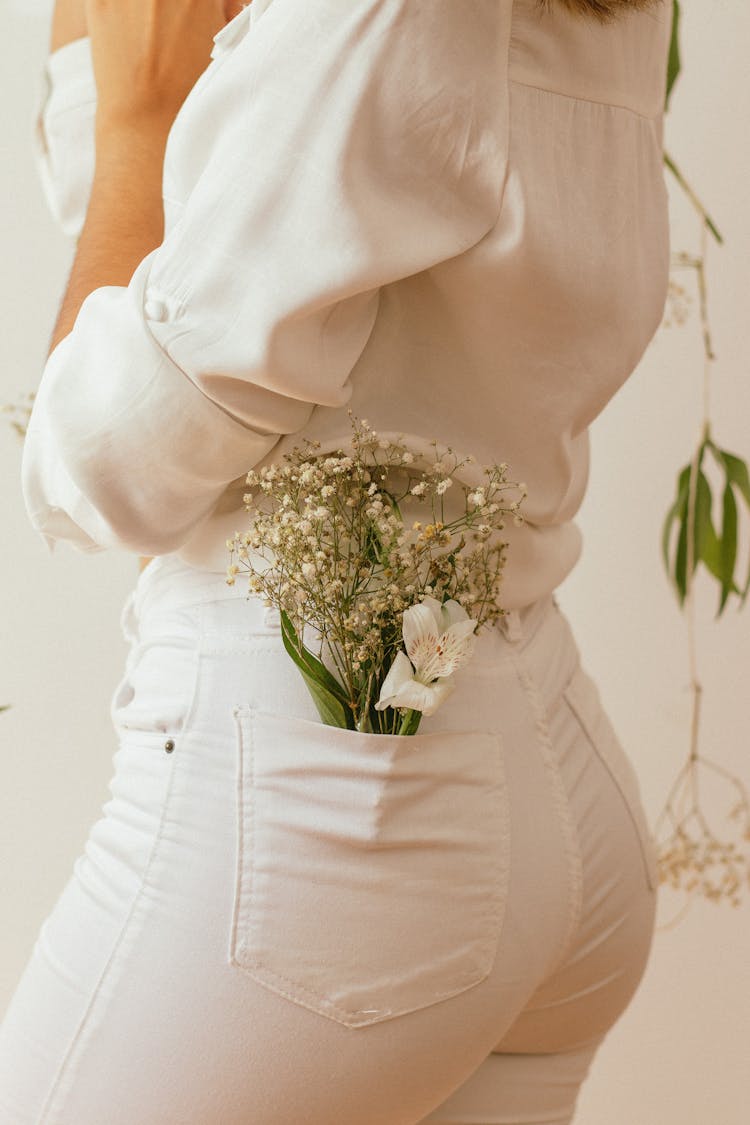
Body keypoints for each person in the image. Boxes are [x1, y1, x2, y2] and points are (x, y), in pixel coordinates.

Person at [0, 0, 670, 1121]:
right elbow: (201, 254)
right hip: (532, 766)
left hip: (335, 835)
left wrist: (136, 119)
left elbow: (108, 464)